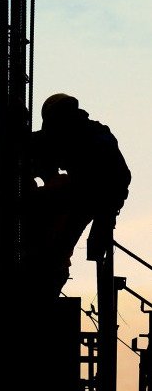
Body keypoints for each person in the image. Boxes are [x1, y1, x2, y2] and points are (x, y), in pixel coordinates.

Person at [25, 93, 131, 296]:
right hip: (96, 195)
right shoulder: (83, 131)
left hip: (95, 195)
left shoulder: (85, 138)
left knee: (58, 246)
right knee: (58, 243)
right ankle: (49, 270)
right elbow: (45, 145)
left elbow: (103, 183)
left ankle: (49, 275)